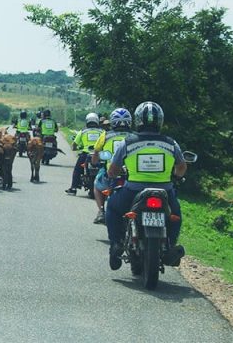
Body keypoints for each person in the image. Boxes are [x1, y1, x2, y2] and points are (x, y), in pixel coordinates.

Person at [105, 101, 187, 270]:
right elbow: (181, 167)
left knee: (112, 208)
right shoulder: (171, 143)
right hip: (165, 191)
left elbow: (113, 169)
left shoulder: (127, 143)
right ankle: (170, 246)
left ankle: (115, 244)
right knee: (176, 215)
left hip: (132, 191)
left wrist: (113, 174)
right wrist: (176, 176)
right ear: (160, 121)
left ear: (138, 120)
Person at [89, 107, 131, 224]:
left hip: (111, 174)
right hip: (130, 175)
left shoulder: (105, 135)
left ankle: (102, 211)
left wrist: (94, 162)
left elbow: (96, 155)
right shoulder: (134, 136)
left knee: (97, 186)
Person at [66, 112, 104, 195]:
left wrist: (76, 148)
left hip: (85, 154)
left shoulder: (82, 132)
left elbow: (74, 145)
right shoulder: (102, 132)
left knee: (77, 169)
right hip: (99, 155)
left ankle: (73, 188)